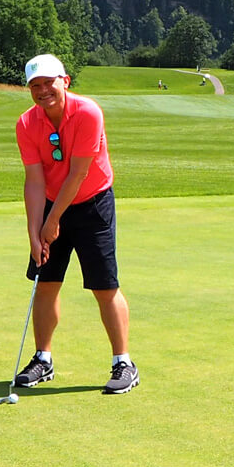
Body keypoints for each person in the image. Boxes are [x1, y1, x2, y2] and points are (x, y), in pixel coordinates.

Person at [13, 53, 137, 394]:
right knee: (46, 280)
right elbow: (35, 181)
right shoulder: (26, 124)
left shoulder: (87, 113)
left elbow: (79, 173)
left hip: (92, 203)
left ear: (64, 81)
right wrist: (34, 233)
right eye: (34, 86)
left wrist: (51, 222)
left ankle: (123, 362)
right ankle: (43, 359)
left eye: (49, 83)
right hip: (52, 202)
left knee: (103, 286)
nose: (42, 91)